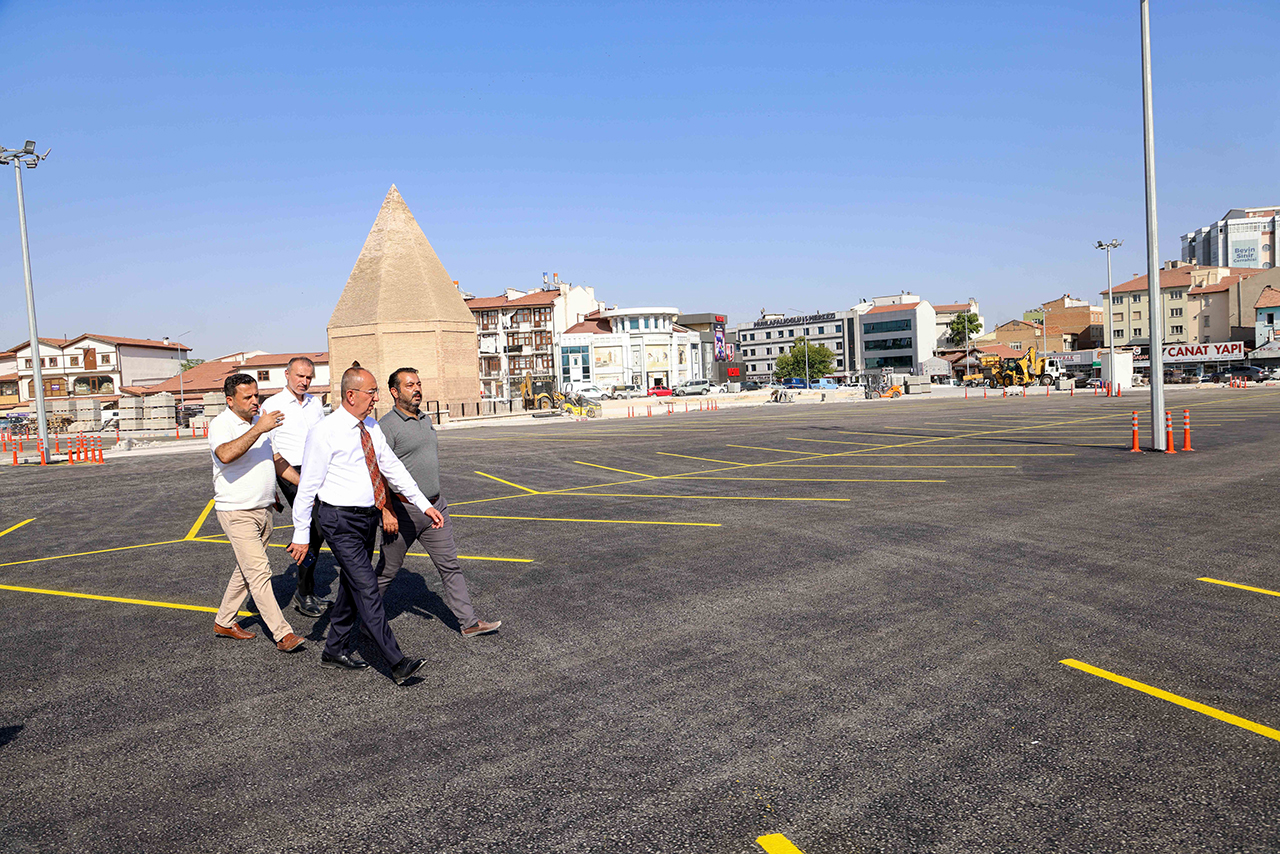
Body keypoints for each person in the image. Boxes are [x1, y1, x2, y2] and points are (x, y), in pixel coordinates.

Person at [286, 367, 431, 686]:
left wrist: (424, 504)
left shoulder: (371, 428)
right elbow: (307, 488)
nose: (377, 397)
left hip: (367, 519)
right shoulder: (325, 431)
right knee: (367, 587)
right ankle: (397, 662)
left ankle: (334, 650)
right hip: (338, 520)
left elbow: (392, 468)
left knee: (352, 587)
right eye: (372, 392)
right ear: (351, 395)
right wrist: (301, 535)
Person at [376, 368, 501, 638]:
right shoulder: (386, 426)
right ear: (395, 392)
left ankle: (468, 622)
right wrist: (386, 510)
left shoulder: (425, 419)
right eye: (410, 385)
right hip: (403, 511)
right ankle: (363, 620)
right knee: (386, 572)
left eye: (419, 384)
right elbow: (378, 471)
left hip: (435, 507)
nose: (417, 389)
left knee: (450, 565)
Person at [208, 373, 306, 653]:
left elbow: (276, 460)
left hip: (263, 510)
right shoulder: (222, 424)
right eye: (247, 397)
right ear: (230, 400)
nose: (255, 401)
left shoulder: (259, 422)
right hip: (236, 511)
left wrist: (307, 485)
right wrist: (259, 429)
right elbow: (225, 454)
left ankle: (224, 621)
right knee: (260, 572)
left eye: (256, 395)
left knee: (247, 569)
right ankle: (283, 634)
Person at [262, 356, 328, 618]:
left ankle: (306, 587)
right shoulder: (272, 405)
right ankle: (304, 592)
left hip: (317, 468)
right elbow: (269, 448)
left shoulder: (315, 403)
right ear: (287, 374)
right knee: (314, 527)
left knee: (319, 530)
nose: (305, 381)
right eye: (300, 376)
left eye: (309, 377)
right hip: (290, 471)